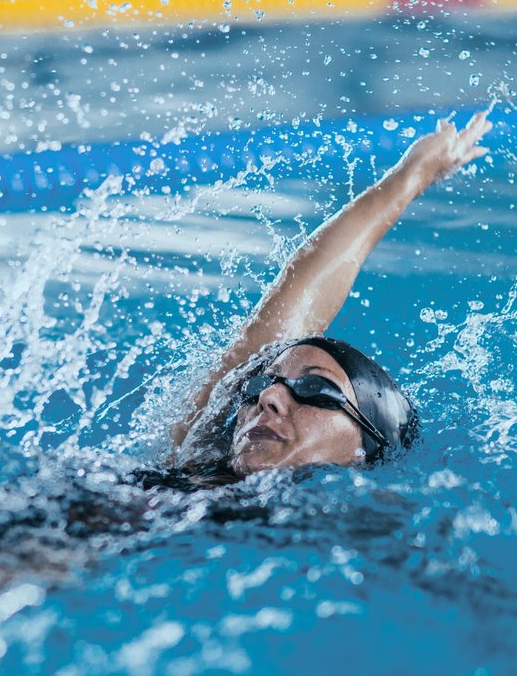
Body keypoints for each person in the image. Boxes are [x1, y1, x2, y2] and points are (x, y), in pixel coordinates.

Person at [164, 110, 494, 487]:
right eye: (257, 386)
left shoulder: (377, 532)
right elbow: (277, 324)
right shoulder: (191, 469)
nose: (267, 396)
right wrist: (411, 176)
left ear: (368, 445)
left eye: (315, 389)